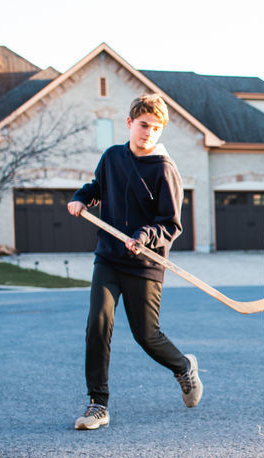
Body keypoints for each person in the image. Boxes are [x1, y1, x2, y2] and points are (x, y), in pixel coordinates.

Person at [67, 93, 202, 430]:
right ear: (129, 123)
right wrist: (82, 198)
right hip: (109, 257)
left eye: (156, 128)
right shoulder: (112, 157)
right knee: (98, 323)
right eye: (143, 125)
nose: (148, 133)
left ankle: (183, 366)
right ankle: (98, 404)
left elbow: (171, 224)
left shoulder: (164, 169)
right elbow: (99, 187)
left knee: (146, 335)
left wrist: (144, 236)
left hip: (145, 263)